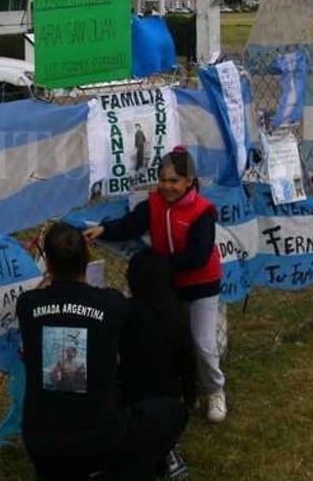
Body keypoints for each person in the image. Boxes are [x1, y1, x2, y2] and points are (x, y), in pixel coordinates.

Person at [18, 222, 188, 481]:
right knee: (173, 412)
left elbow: (37, 299)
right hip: (100, 437)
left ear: (48, 265)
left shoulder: (28, 305)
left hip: (41, 441)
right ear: (87, 259)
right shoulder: (112, 304)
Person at [84, 146, 228, 423]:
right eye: (162, 179)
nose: (166, 186)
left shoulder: (202, 212)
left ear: (189, 182)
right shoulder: (152, 204)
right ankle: (184, 390)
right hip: (167, 287)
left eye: (174, 181)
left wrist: (158, 266)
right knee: (169, 341)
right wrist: (104, 229)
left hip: (201, 286)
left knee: (202, 343)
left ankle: (215, 390)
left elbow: (197, 258)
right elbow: (130, 224)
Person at [122, 251, 196, 478]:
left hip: (131, 399)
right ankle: (168, 449)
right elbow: (187, 361)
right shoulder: (178, 314)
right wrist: (190, 397)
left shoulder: (126, 312)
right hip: (170, 401)